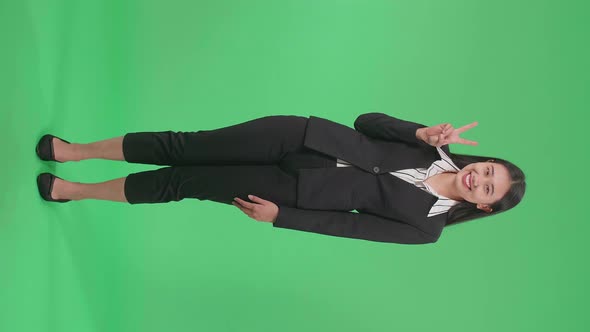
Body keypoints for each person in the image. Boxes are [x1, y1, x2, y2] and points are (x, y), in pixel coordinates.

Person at [35, 113, 526, 244]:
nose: (478, 178)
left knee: (180, 182)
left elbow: (351, 227)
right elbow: (365, 122)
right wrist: (417, 129)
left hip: (293, 192)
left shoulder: (427, 229)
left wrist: (281, 218)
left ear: (484, 206)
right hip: (301, 138)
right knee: (184, 145)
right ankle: (74, 152)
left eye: (488, 188)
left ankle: (73, 191)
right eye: (486, 169)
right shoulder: (432, 142)